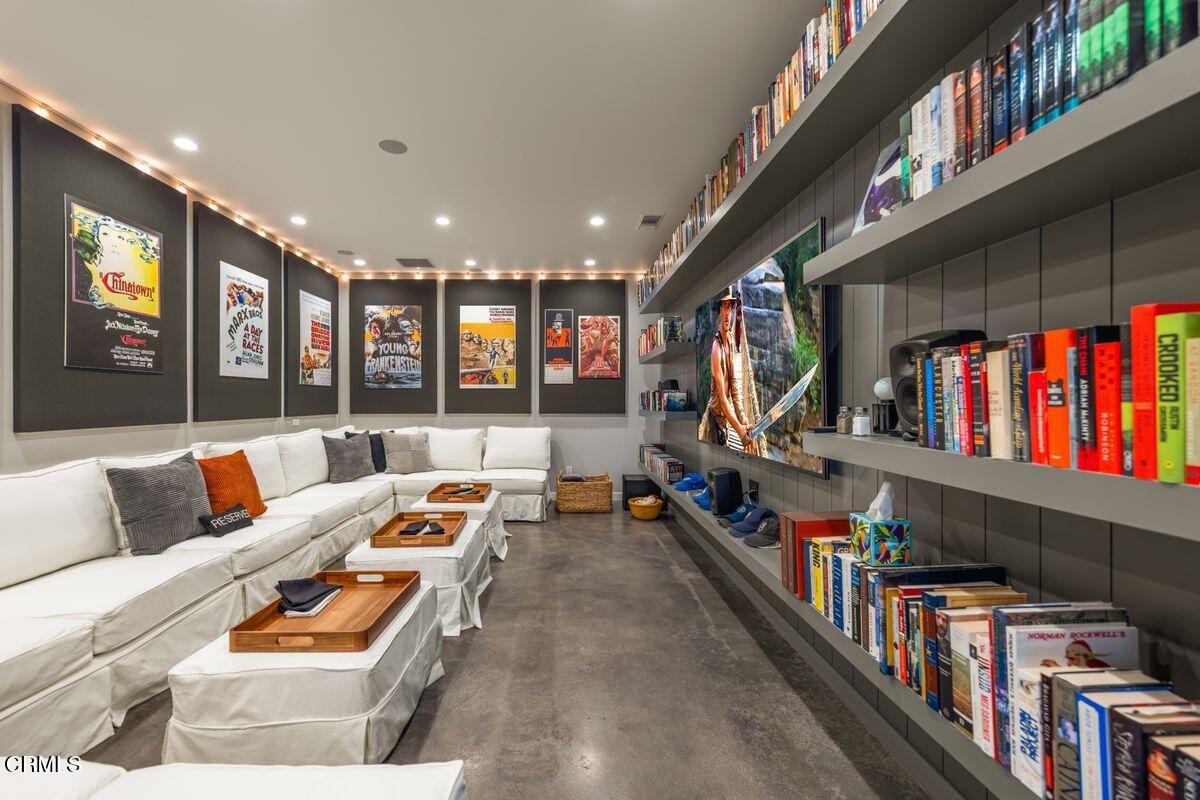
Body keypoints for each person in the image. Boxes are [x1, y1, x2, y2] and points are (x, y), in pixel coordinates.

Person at [699, 287, 766, 455]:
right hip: (716, 421)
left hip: (727, 418)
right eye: (725, 307)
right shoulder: (716, 349)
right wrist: (740, 430)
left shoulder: (729, 339)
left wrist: (742, 417)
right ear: (720, 311)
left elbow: (735, 384)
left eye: (731, 307)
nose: (728, 312)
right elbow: (722, 399)